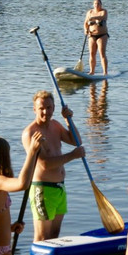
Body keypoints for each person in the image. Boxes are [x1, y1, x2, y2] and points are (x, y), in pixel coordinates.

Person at [21, 90, 85, 242]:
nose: (45, 112)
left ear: (54, 107)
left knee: (55, 236)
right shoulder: (30, 133)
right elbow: (43, 165)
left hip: (59, 188)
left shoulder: (55, 125)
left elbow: (76, 141)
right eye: (41, 108)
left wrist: (68, 119)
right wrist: (72, 156)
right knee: (42, 237)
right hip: (42, 189)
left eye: (49, 108)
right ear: (34, 109)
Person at [84, 0, 109, 75]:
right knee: (92, 53)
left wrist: (93, 18)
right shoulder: (90, 12)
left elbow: (103, 17)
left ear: (101, 5)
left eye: (98, 4)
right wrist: (85, 30)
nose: (96, 5)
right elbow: (85, 23)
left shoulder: (103, 11)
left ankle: (105, 72)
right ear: (93, 4)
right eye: (95, 4)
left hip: (102, 35)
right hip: (92, 35)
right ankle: (92, 71)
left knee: (102, 53)